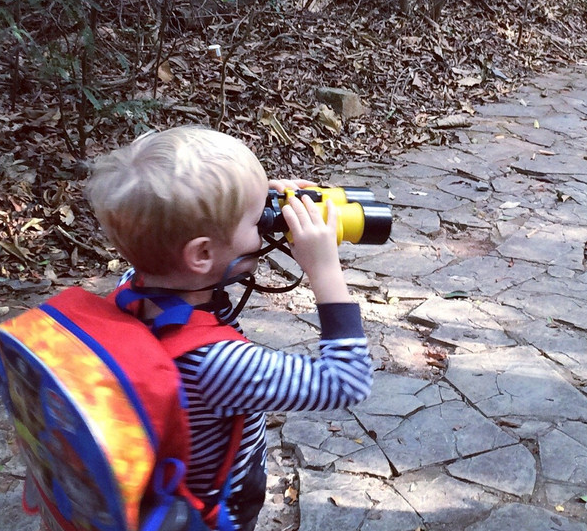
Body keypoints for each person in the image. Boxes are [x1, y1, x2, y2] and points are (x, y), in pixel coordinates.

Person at [82, 124, 373, 531]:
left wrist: (248, 198)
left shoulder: (133, 286)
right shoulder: (217, 365)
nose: (267, 225)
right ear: (201, 253)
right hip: (215, 512)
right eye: (258, 221)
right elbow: (347, 382)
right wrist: (324, 268)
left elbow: (170, 222)